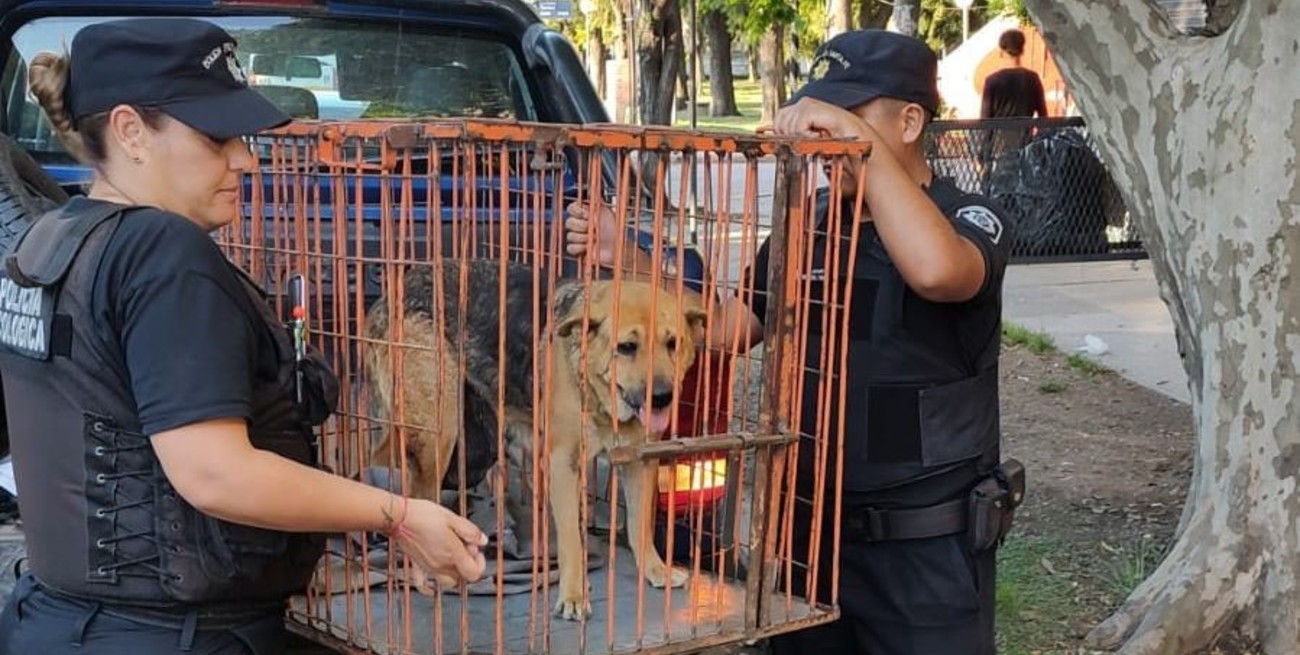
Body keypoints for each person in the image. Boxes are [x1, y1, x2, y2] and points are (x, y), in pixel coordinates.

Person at [0, 18, 487, 654]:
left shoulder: (53, 238)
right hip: (168, 635)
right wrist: (399, 515)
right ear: (129, 131)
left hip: (54, 619)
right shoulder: (158, 251)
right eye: (217, 136)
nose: (245, 159)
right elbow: (214, 474)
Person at [566, 30, 1019, 655]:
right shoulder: (809, 226)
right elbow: (728, 328)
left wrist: (861, 148)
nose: (827, 138)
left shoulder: (965, 216)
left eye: (848, 116)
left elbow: (939, 274)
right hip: (813, 534)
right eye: (822, 117)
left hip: (924, 549)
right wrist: (631, 256)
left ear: (911, 121)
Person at [980, 28, 1048, 120]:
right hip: (1025, 133)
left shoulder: (992, 81)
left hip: (999, 133)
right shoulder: (1033, 79)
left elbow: (985, 118)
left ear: (1001, 52)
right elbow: (1043, 115)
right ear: (1022, 50)